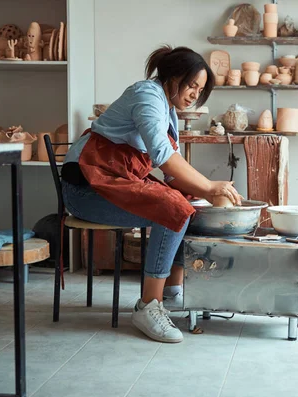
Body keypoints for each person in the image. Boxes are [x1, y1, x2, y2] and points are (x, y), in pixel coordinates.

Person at [60, 45, 242, 343]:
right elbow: (162, 156)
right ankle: (148, 306)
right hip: (85, 190)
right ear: (173, 77)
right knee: (172, 208)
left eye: (200, 88)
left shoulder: (167, 109)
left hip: (113, 182)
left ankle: (171, 291)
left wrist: (205, 195)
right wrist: (209, 187)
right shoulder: (146, 96)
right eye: (192, 85)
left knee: (186, 204)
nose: (196, 93)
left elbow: (173, 172)